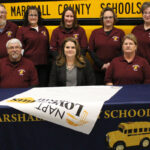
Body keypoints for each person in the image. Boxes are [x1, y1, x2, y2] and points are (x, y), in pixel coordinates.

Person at [89, 7, 125, 85]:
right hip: (98, 71)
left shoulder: (120, 33)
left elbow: (123, 51)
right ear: (102, 19)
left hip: (116, 70)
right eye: (105, 17)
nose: (108, 19)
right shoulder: (95, 33)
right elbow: (91, 51)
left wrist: (111, 64)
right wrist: (101, 65)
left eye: (110, 17)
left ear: (114, 18)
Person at [16, 6, 50, 87]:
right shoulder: (22, 30)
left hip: (43, 66)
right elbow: (19, 49)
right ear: (27, 17)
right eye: (31, 15)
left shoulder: (44, 29)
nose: (33, 17)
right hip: (29, 66)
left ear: (38, 17)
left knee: (43, 89)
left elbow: (47, 47)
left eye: (35, 15)